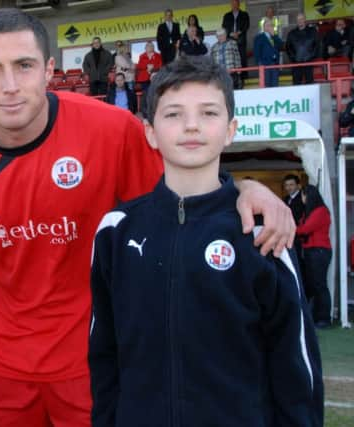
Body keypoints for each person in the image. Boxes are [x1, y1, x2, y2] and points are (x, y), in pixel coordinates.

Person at [0, 9, 295, 426]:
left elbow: (180, 189)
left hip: (95, 360)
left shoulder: (111, 129)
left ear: (48, 70)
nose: (9, 86)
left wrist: (244, 186)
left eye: (23, 66)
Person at [89, 55, 324, 427]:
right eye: (173, 114)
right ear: (150, 131)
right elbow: (105, 354)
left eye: (209, 113)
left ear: (231, 130)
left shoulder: (261, 231)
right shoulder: (116, 231)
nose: (192, 125)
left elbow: (295, 363)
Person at [297, 184, 333, 328]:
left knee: (319, 285)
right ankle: (315, 316)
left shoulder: (320, 211)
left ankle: (324, 318)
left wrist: (293, 229)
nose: (302, 199)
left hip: (319, 251)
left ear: (307, 195)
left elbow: (305, 229)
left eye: (303, 195)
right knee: (314, 285)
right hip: (312, 251)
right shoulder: (311, 211)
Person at [222, 0, 250, 86]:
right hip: (230, 40)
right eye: (232, 4)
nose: (234, 5)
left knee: (241, 59)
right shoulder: (227, 15)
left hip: (240, 39)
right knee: (231, 60)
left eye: (236, 4)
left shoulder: (244, 14)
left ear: (239, 5)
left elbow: (246, 25)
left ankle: (242, 79)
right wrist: (230, 33)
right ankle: (232, 79)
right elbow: (224, 26)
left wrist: (239, 32)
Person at [286, 13, 319, 86]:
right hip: (296, 63)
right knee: (296, 84)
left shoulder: (312, 31)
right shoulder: (291, 33)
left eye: (301, 19)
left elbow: (317, 45)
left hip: (309, 62)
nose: (300, 21)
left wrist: (311, 56)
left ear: (305, 20)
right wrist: (294, 58)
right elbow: (288, 47)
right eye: (298, 19)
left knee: (309, 83)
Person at [253, 19, 283, 87]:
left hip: (275, 65)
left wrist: (274, 36)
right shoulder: (259, 37)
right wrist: (260, 64)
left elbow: (281, 46)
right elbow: (256, 52)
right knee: (266, 85)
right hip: (265, 65)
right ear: (264, 27)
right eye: (268, 25)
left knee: (275, 85)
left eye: (271, 25)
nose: (270, 27)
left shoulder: (275, 36)